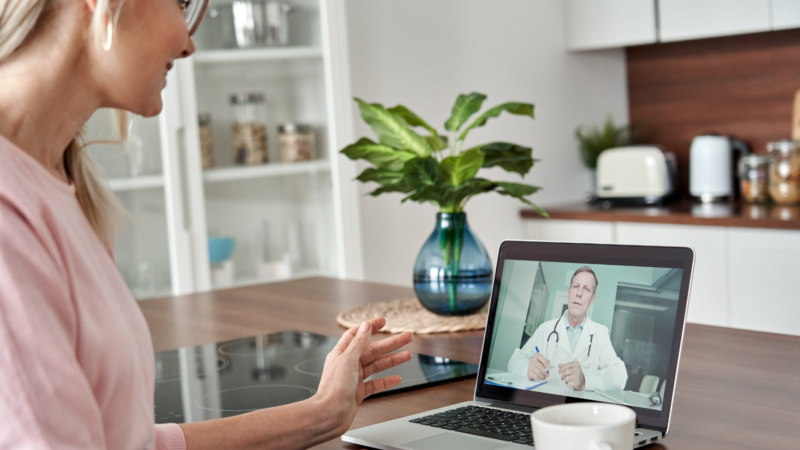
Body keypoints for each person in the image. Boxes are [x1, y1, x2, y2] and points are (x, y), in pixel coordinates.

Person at [0, 0, 413, 448]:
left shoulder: (66, 184)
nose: (189, 43)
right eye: (182, 5)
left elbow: (125, 441)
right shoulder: (10, 212)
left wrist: (322, 415)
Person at [507, 266, 627, 392]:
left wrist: (585, 380)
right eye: (576, 286)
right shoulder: (545, 329)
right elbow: (514, 360)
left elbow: (619, 376)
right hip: (544, 404)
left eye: (586, 289)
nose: (579, 293)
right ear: (569, 292)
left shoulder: (600, 334)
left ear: (592, 299)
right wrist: (527, 368)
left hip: (579, 409)